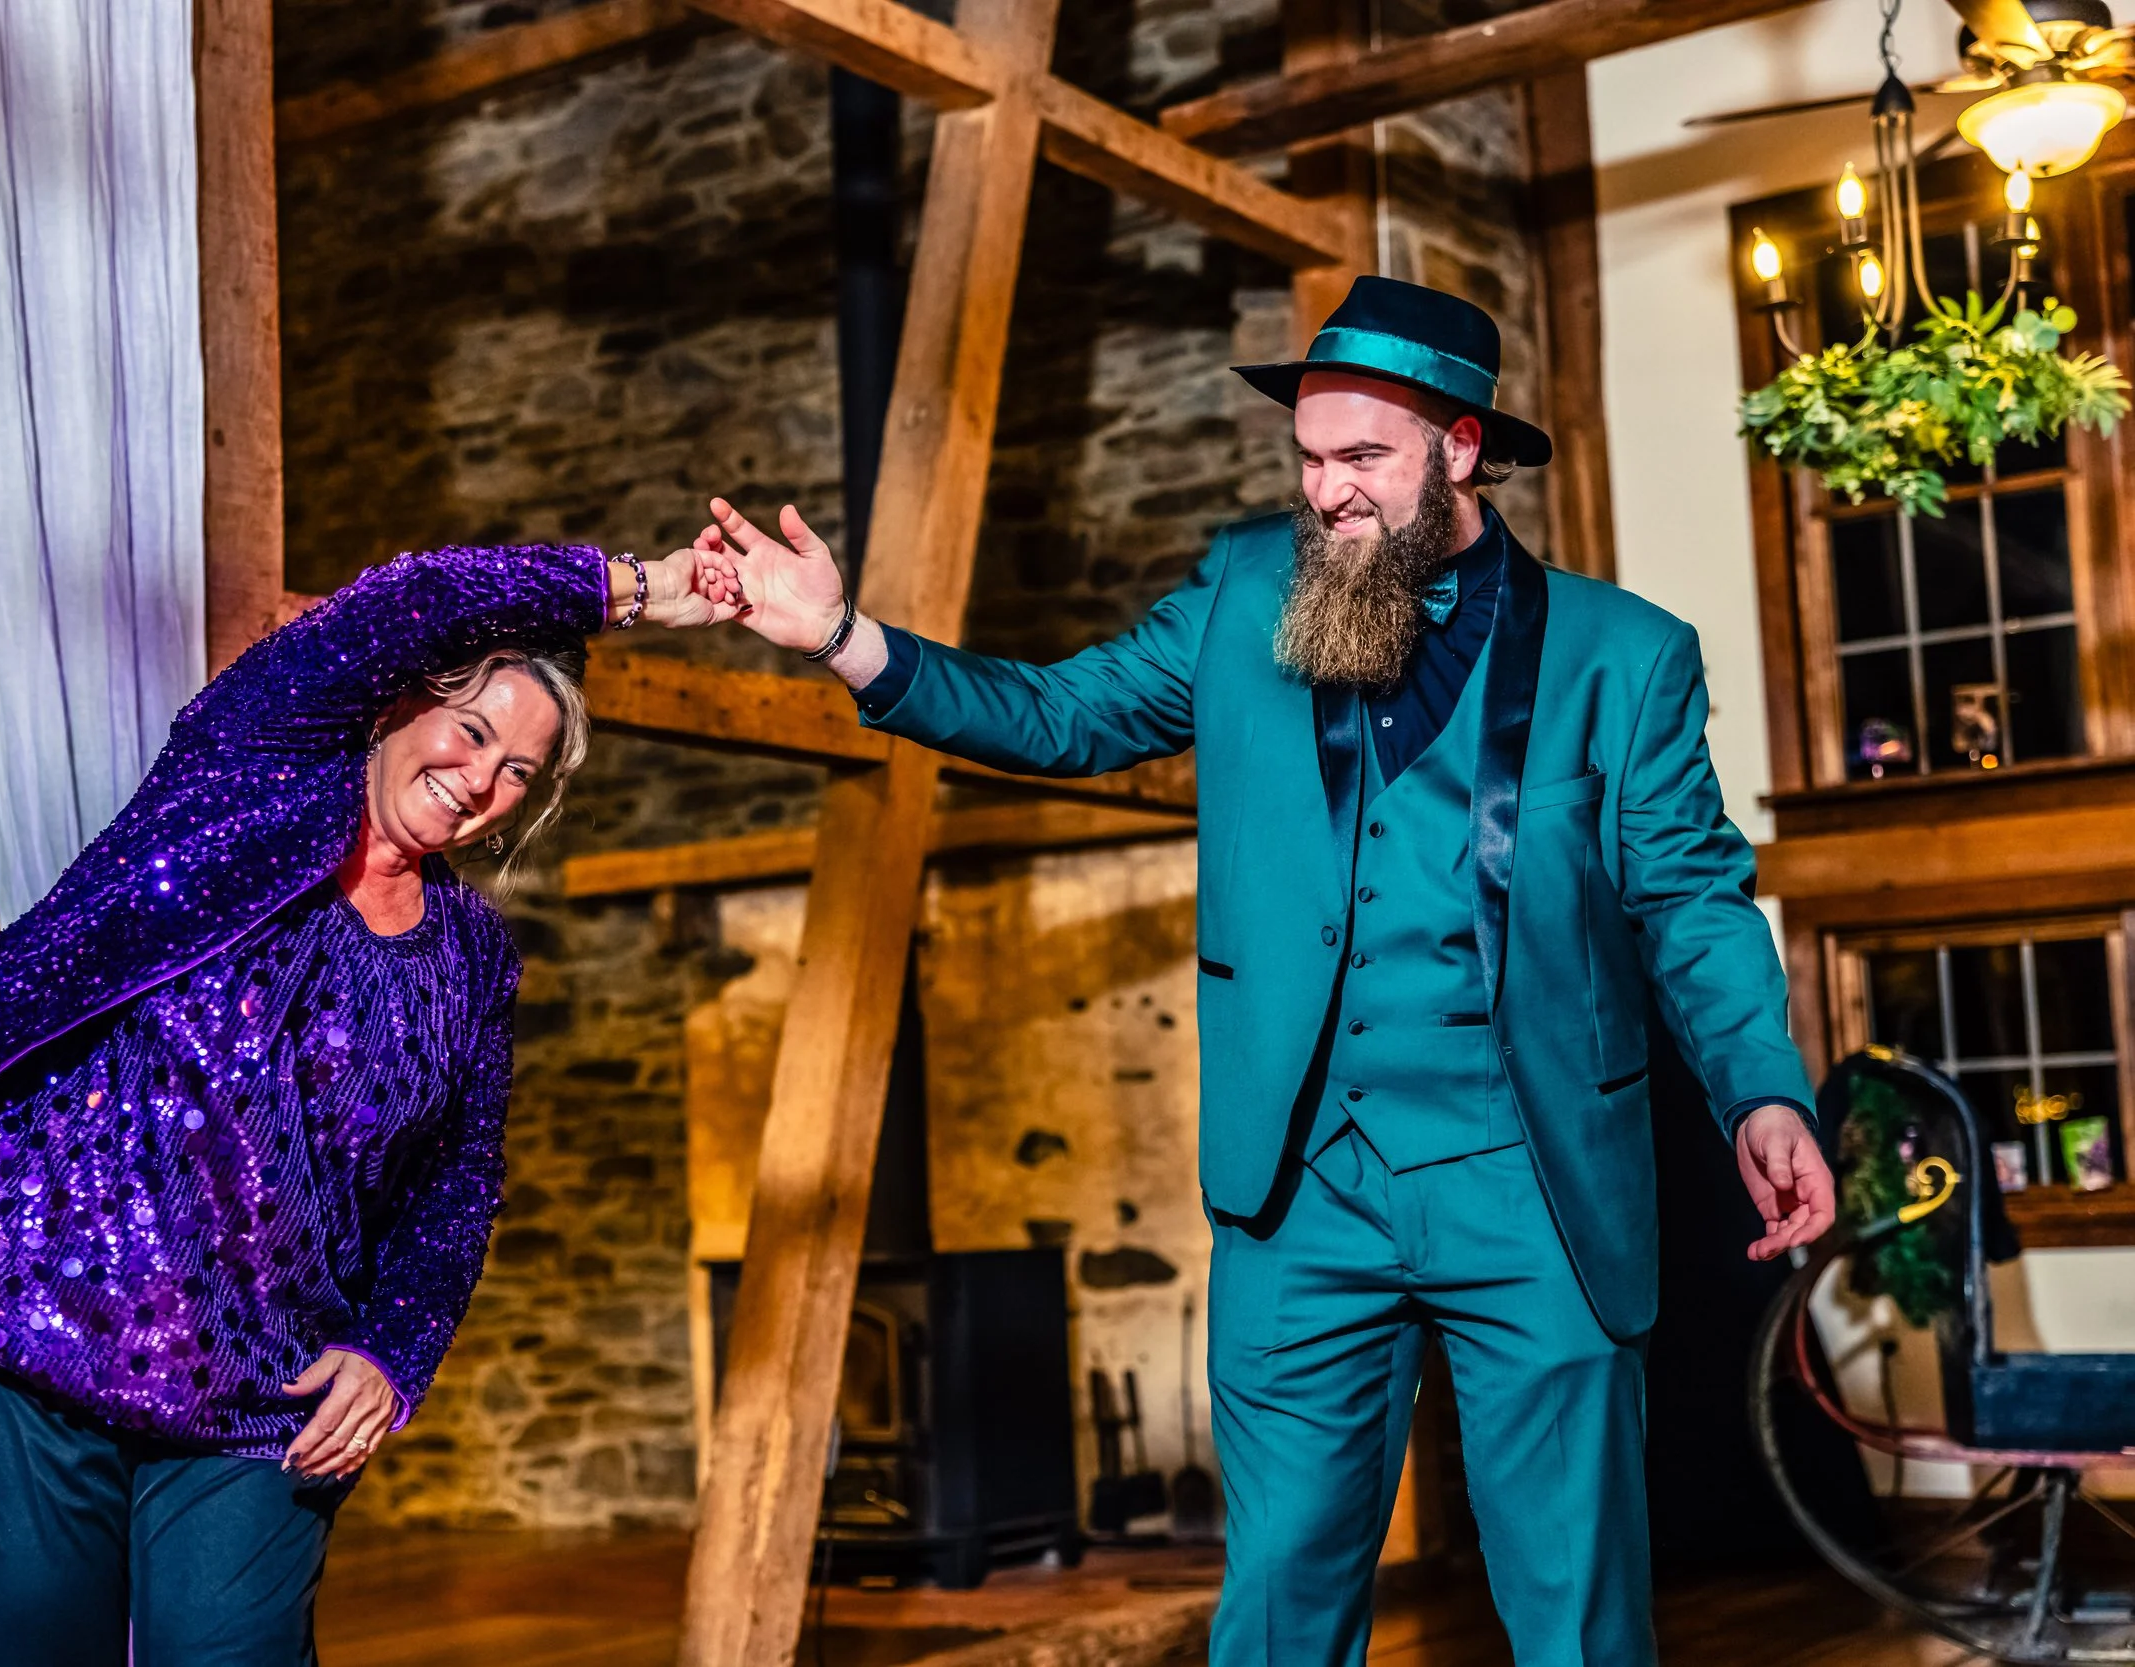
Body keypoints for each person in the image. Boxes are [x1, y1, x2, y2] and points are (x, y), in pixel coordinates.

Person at [677, 276, 1837, 1664]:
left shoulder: (1622, 656)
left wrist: (1760, 1090)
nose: (1328, 490)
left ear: (1461, 448)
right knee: (1279, 1599)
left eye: (1364, 458)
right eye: (1309, 457)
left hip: (1531, 1186)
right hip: (1300, 1193)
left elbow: (1693, 896)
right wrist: (842, 638)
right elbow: (1058, 713)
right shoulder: (1240, 595)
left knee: (1577, 1605)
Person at [0, 542, 730, 1667]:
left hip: (262, 1390)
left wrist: (391, 1352)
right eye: (474, 730)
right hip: (39, 1325)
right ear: (403, 700)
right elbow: (419, 595)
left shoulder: (470, 958)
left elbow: (455, 1189)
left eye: (520, 770)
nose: (483, 775)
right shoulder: (246, 775)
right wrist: (640, 590)